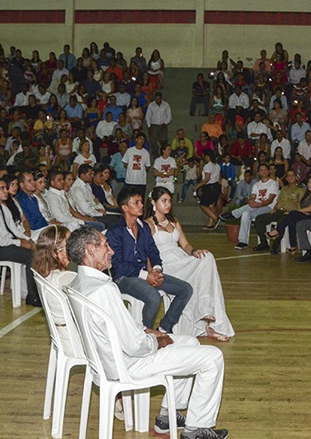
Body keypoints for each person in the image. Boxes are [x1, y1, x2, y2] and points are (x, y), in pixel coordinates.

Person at [65, 226, 228, 439]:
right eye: (105, 245)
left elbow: (115, 327)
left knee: (191, 342)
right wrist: (157, 341)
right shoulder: (103, 289)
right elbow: (135, 346)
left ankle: (168, 416)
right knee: (213, 357)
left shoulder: (78, 283)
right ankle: (195, 430)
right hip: (129, 363)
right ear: (90, 250)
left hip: (111, 359)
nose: (111, 251)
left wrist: (145, 330)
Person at [144, 187, 234, 341]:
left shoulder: (173, 221)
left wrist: (194, 252)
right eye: (163, 201)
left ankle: (205, 311)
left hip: (180, 258)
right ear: (153, 202)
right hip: (166, 264)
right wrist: (150, 271)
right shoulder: (147, 225)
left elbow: (185, 244)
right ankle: (205, 323)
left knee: (207, 257)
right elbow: (146, 252)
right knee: (195, 276)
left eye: (169, 201)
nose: (168, 204)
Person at [105, 187, 192, 334]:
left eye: (141, 202)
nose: (141, 205)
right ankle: (147, 334)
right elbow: (118, 265)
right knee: (153, 297)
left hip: (145, 273)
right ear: (125, 207)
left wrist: (157, 269)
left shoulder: (143, 227)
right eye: (136, 203)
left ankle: (164, 328)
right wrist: (146, 276)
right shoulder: (115, 230)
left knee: (185, 289)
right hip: (124, 277)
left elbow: (153, 251)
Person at [0, 178, 40, 306]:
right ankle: (32, 296)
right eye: (2, 189)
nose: (6, 191)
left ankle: (40, 291)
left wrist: (28, 240)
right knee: (33, 256)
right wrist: (19, 243)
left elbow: (14, 230)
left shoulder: (3, 208)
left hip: (7, 244)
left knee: (39, 250)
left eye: (5, 188)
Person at [218, 164, 278, 249]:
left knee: (248, 209)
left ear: (268, 171)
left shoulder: (273, 184)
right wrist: (251, 202)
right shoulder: (257, 185)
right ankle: (243, 242)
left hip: (268, 208)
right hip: (256, 207)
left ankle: (234, 214)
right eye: (261, 170)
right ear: (258, 173)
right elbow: (252, 197)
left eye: (265, 170)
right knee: (245, 214)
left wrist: (258, 204)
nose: (263, 172)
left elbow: (270, 200)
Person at [251, 169, 304, 251]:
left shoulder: (300, 190)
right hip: (278, 211)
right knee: (259, 219)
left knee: (281, 221)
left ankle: (276, 245)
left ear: (296, 177)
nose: (291, 177)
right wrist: (274, 209)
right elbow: (278, 201)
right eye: (289, 176)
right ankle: (264, 243)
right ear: (286, 179)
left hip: (289, 213)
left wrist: (293, 212)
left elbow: (302, 204)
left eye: (293, 175)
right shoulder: (283, 189)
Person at [197, 150, 223, 230]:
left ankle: (216, 218)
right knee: (211, 205)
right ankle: (210, 224)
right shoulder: (217, 165)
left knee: (203, 205)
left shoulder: (208, 166)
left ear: (207, 156)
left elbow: (207, 179)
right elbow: (219, 177)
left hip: (210, 187)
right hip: (216, 186)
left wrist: (198, 186)